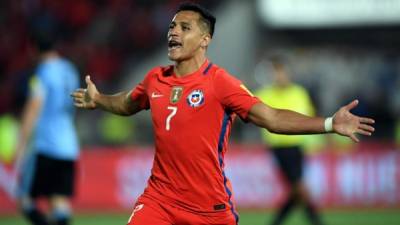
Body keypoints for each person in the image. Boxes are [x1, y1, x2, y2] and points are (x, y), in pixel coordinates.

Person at [71, 3, 374, 225]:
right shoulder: (155, 79)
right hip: (158, 200)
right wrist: (99, 99)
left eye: (184, 28)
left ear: (205, 40)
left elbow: (270, 118)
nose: (173, 32)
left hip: (208, 208)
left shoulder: (219, 83)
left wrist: (329, 123)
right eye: (171, 27)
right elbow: (126, 103)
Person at [15, 31, 80, 225]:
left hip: (47, 145)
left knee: (24, 199)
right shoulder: (70, 70)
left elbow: (34, 106)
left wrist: (21, 142)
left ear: (34, 48)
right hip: (69, 145)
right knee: (59, 203)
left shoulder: (43, 73)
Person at [255, 57, 324, 225]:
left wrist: (316, 143)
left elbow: (308, 118)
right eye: (276, 72)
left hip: (298, 147)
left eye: (282, 72)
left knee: (297, 191)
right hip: (279, 148)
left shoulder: (299, 93)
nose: (280, 76)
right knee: (299, 189)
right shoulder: (264, 94)